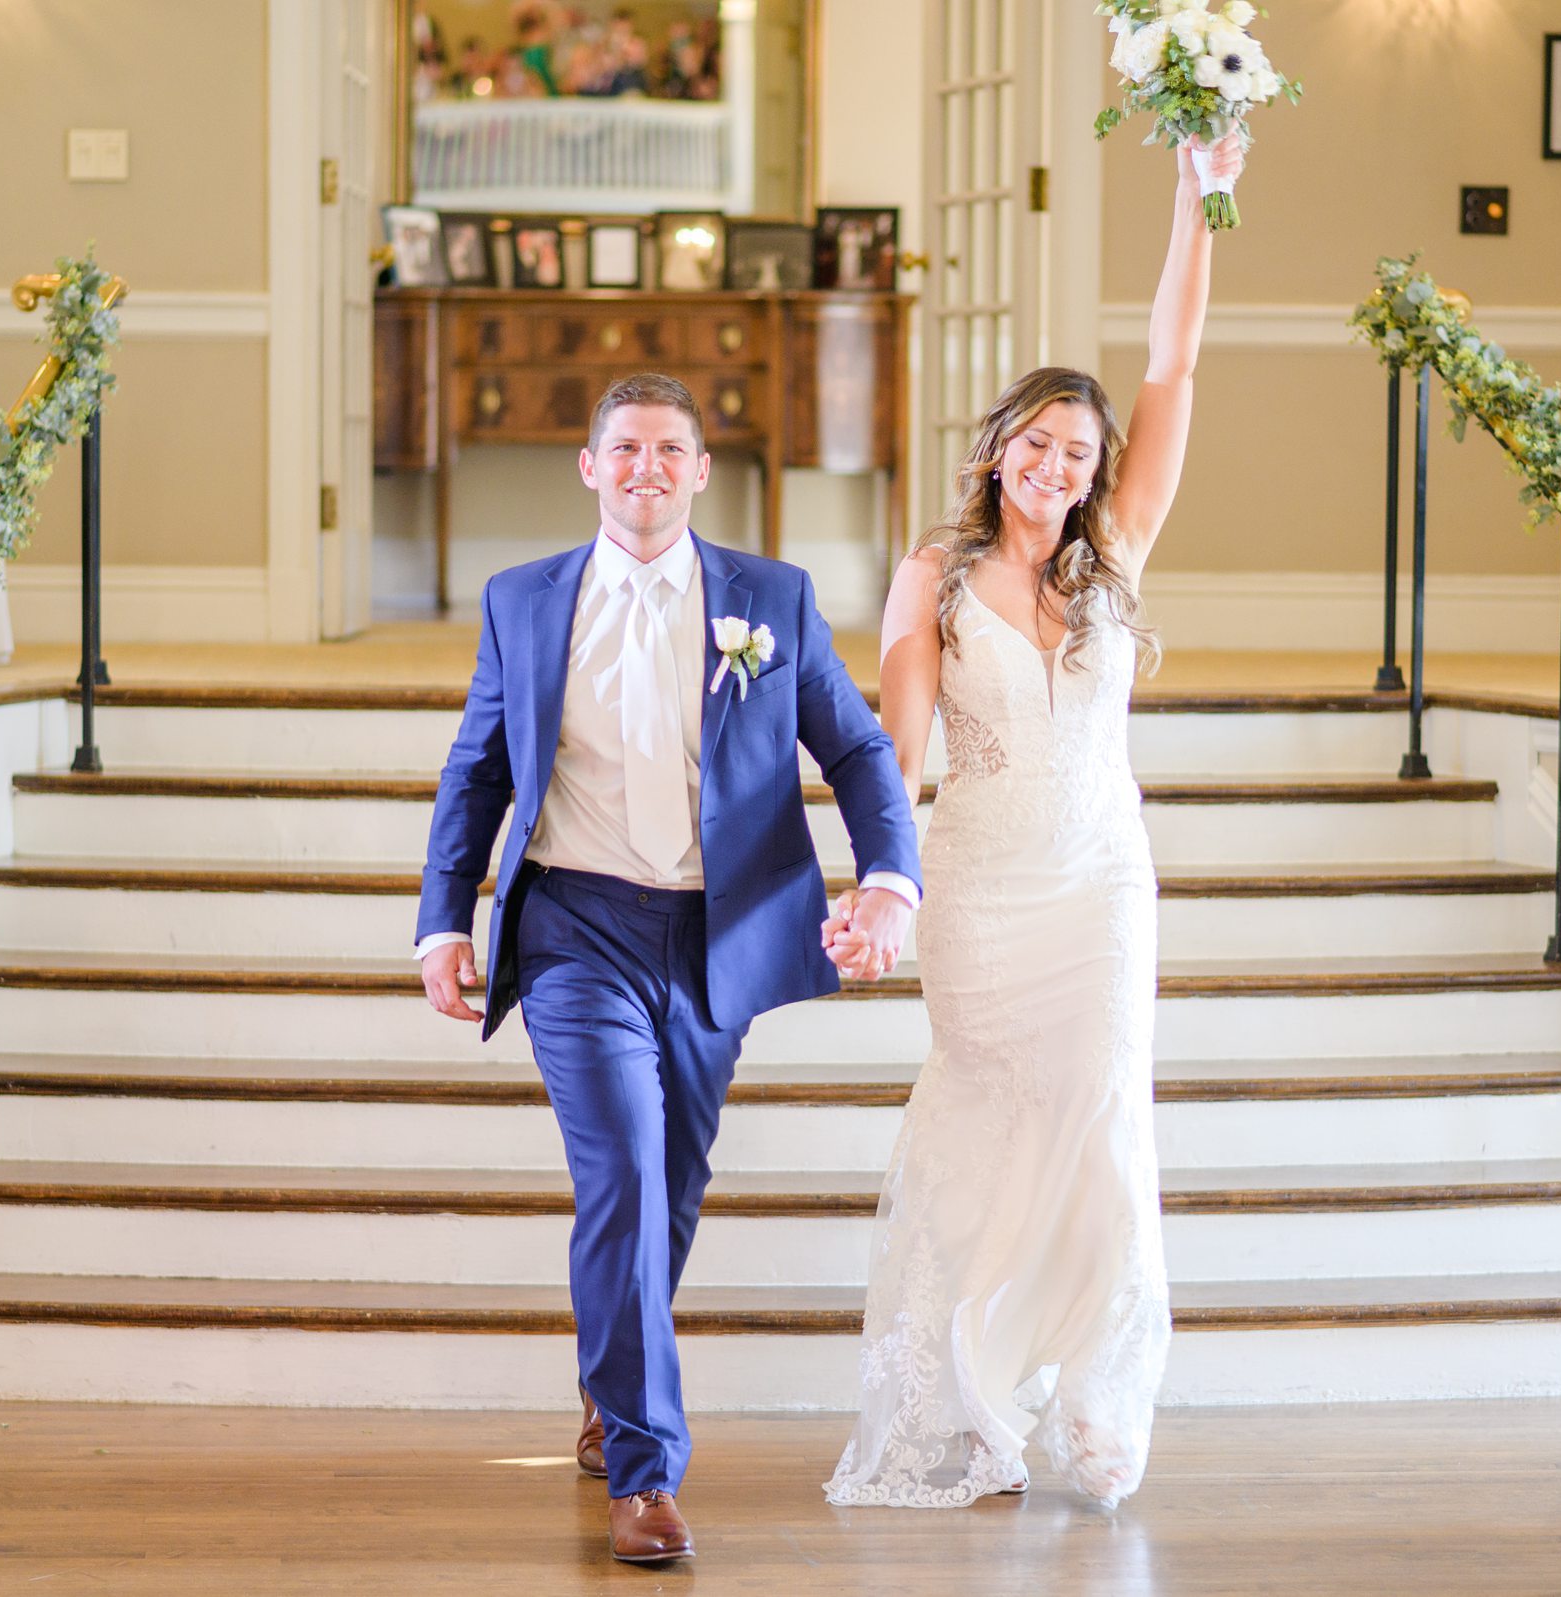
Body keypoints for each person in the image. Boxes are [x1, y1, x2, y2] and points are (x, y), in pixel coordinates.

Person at [417, 373, 923, 1562]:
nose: (647, 467)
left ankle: (609, 1377)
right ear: (591, 469)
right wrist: (446, 920)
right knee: (630, 1177)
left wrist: (891, 876)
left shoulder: (772, 601)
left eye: (671, 450)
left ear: (701, 472)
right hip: (575, 931)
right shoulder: (524, 601)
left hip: (713, 936)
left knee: (674, 1182)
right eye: (625, 448)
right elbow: (478, 769)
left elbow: (852, 747)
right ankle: (644, 1472)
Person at [821, 131, 1245, 1510]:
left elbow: (1172, 366)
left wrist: (1197, 192)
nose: (1061, 467)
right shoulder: (931, 578)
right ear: (998, 445)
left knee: (1108, 1120)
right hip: (986, 888)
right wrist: (876, 883)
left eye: (1081, 451)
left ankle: (1095, 1403)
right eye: (1041, 442)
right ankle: (971, 1399)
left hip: (1103, 882)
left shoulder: (1114, 551)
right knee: (990, 1126)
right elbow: (890, 748)